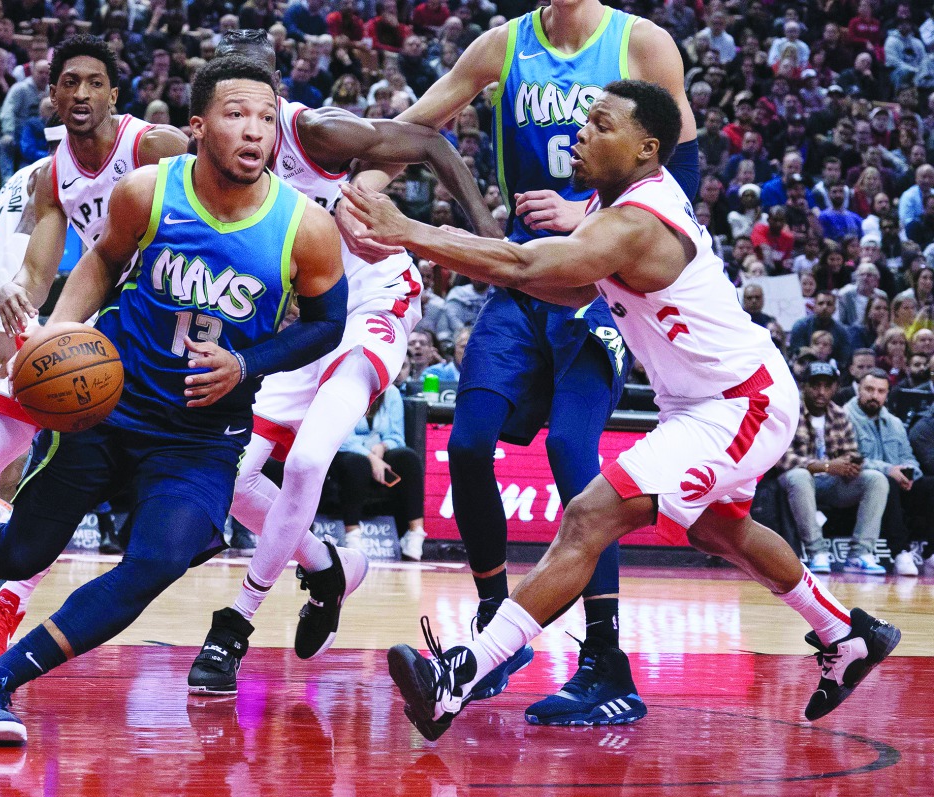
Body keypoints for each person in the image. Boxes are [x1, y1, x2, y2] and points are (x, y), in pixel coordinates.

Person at [343, 80, 899, 740]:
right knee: (718, 530)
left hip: (737, 401)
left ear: (646, 148)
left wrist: (411, 231)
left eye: (601, 125)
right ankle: (847, 632)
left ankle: (459, 675)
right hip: (710, 399)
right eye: (583, 122)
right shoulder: (615, 214)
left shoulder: (637, 221)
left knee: (587, 516)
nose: (581, 133)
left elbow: (525, 264)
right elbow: (568, 281)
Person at [0, 55, 348, 748]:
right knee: (27, 549)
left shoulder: (306, 227)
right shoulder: (147, 191)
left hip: (202, 437)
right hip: (108, 405)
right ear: (198, 126)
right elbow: (101, 261)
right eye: (236, 114)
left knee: (157, 559)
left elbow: (327, 323)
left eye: (267, 118)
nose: (254, 131)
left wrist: (247, 363)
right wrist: (60, 332)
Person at [339, 0, 698, 725]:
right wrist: (360, 193)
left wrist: (593, 220)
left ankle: (606, 661)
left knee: (573, 450)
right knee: (465, 444)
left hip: (600, 283)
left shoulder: (644, 43)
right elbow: (415, 125)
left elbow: (681, 176)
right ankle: (497, 629)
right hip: (523, 276)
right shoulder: (503, 44)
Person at [185, 30, 495, 697]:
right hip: (310, 319)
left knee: (305, 461)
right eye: (233, 108)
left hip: (379, 295)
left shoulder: (314, 132)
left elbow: (433, 143)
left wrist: (491, 241)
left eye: (261, 104)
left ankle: (233, 627)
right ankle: (328, 571)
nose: (251, 123)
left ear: (278, 94)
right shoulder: (209, 164)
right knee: (229, 481)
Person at [0, 37, 187, 664]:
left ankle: (6, 607)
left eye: (94, 82)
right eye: (69, 82)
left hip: (162, 327)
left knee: (66, 469)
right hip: (92, 323)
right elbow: (39, 271)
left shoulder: (153, 146)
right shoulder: (50, 174)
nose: (81, 94)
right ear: (52, 94)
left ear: (115, 93)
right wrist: (17, 298)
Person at [777, 362, 889, 575]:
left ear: (835, 388)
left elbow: (850, 451)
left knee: (875, 479)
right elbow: (781, 458)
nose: (821, 392)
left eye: (827, 386)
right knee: (799, 476)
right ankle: (816, 551)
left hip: (831, 484)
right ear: (804, 386)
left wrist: (849, 466)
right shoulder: (790, 411)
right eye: (815, 385)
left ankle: (860, 554)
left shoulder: (839, 414)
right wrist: (826, 466)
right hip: (796, 481)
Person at [845, 368, 931, 577]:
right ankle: (900, 551)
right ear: (859, 390)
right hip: (857, 483)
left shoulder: (894, 423)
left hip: (896, 481)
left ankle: (930, 552)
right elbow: (850, 459)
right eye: (870, 389)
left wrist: (910, 474)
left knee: (930, 485)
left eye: (881, 391)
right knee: (885, 481)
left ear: (887, 394)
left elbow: (908, 456)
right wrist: (890, 470)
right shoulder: (844, 417)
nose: (875, 396)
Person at [328, 383, 425, 556]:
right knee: (358, 464)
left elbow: (396, 436)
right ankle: (352, 536)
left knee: (408, 458)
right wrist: (370, 457)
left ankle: (414, 534)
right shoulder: (343, 389)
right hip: (345, 451)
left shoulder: (392, 392)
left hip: (378, 451)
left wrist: (383, 446)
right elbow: (340, 437)